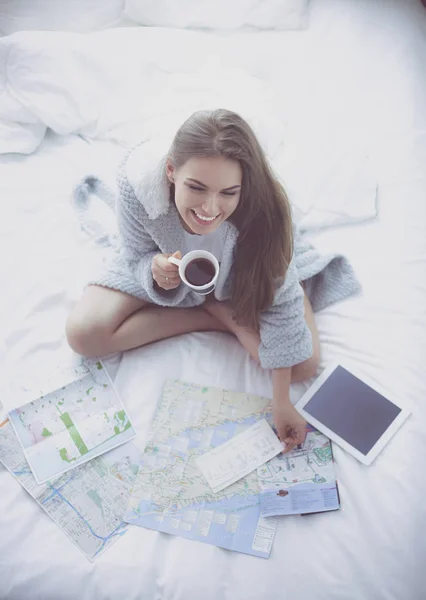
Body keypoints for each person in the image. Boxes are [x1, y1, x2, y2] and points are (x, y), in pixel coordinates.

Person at [66, 109, 359, 452]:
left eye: (228, 192)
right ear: (171, 171)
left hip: (242, 278)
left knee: (303, 365)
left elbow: (282, 303)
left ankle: (219, 309)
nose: (209, 207)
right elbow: (135, 254)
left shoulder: (268, 215)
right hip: (175, 276)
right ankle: (214, 313)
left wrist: (282, 402)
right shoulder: (138, 186)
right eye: (196, 187)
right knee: (83, 334)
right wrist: (154, 270)